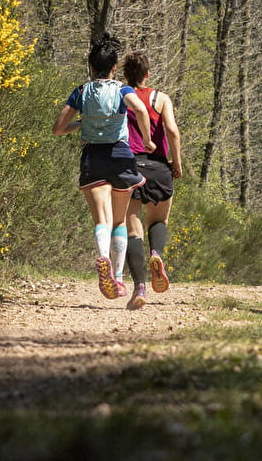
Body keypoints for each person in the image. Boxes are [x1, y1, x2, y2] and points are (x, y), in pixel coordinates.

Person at [52, 32, 152, 310]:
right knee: (120, 222)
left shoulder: (81, 92)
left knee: (101, 220)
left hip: (92, 158)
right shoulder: (122, 90)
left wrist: (82, 126)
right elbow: (141, 111)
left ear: (91, 66)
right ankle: (118, 278)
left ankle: (101, 255)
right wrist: (146, 139)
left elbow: (58, 128)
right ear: (114, 67)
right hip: (120, 156)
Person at [120, 51, 183, 298]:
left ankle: (139, 288)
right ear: (148, 74)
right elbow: (173, 131)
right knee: (157, 222)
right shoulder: (161, 98)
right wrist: (176, 164)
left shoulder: (122, 96)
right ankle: (156, 254)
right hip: (158, 166)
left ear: (126, 74)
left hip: (129, 167)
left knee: (131, 229)